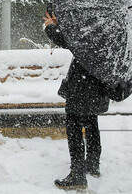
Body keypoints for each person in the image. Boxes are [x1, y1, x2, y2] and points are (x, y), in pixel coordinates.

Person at [44, 12, 110, 190]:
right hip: (96, 89)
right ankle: (93, 165)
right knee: (91, 124)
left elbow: (66, 40)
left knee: (74, 130)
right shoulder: (108, 30)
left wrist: (50, 26)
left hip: (81, 89)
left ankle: (78, 175)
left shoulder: (91, 30)